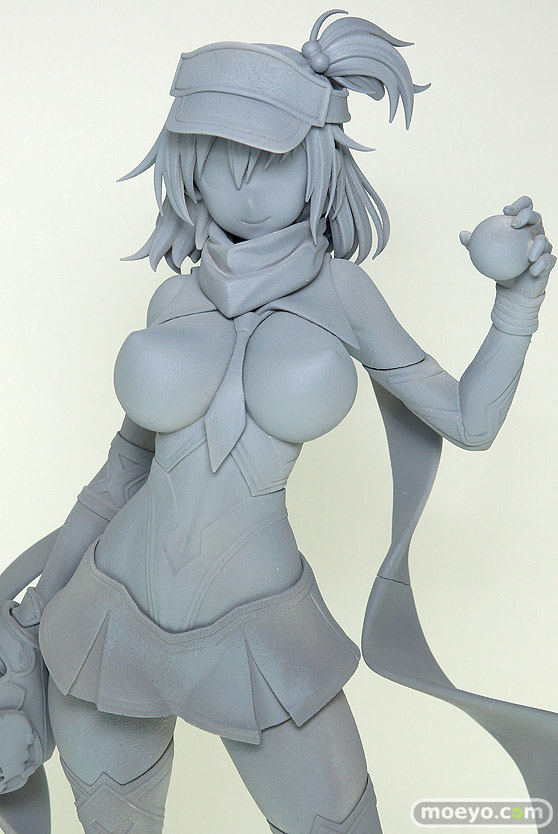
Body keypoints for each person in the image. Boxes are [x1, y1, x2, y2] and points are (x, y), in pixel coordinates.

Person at [0, 10, 555, 834]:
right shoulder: (173, 297)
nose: (242, 186)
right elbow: (121, 473)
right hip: (110, 618)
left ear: (320, 157)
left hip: (263, 631)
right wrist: (33, 614)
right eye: (217, 158)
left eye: (271, 158)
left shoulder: (345, 295)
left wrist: (518, 303)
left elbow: (470, 423)